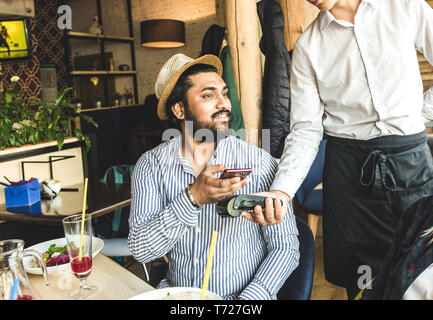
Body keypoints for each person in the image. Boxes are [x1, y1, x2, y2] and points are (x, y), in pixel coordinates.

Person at [251, 0, 433, 299]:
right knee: (364, 282)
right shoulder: (308, 47)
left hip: (410, 164)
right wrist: (281, 191)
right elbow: (306, 130)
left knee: (422, 268)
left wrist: (416, 115)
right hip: (349, 174)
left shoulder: (405, 7)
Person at [128, 53, 300, 300]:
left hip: (241, 298)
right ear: (179, 109)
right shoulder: (150, 167)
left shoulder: (257, 162)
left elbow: (285, 248)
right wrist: (193, 197)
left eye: (225, 93)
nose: (225, 104)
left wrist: (249, 299)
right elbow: (141, 250)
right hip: (179, 295)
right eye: (208, 95)